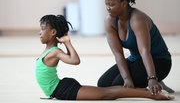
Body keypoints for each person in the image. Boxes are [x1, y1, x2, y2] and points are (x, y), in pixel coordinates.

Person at [35, 14, 174, 100]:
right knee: (105, 90)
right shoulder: (49, 51)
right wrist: (66, 44)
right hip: (61, 88)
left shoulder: (54, 52)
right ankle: (147, 91)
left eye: (42, 29)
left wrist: (68, 43)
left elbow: (75, 61)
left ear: (53, 32)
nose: (40, 32)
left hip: (63, 90)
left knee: (107, 93)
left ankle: (151, 94)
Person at [97, 0, 174, 95]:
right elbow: (118, 53)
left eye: (112, 5)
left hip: (159, 61)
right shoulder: (110, 21)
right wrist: (126, 78)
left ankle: (156, 82)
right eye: (106, 4)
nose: (108, 8)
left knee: (116, 85)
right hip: (135, 60)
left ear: (123, 3)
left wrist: (152, 78)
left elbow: (144, 51)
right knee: (103, 84)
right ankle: (142, 81)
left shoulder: (137, 19)